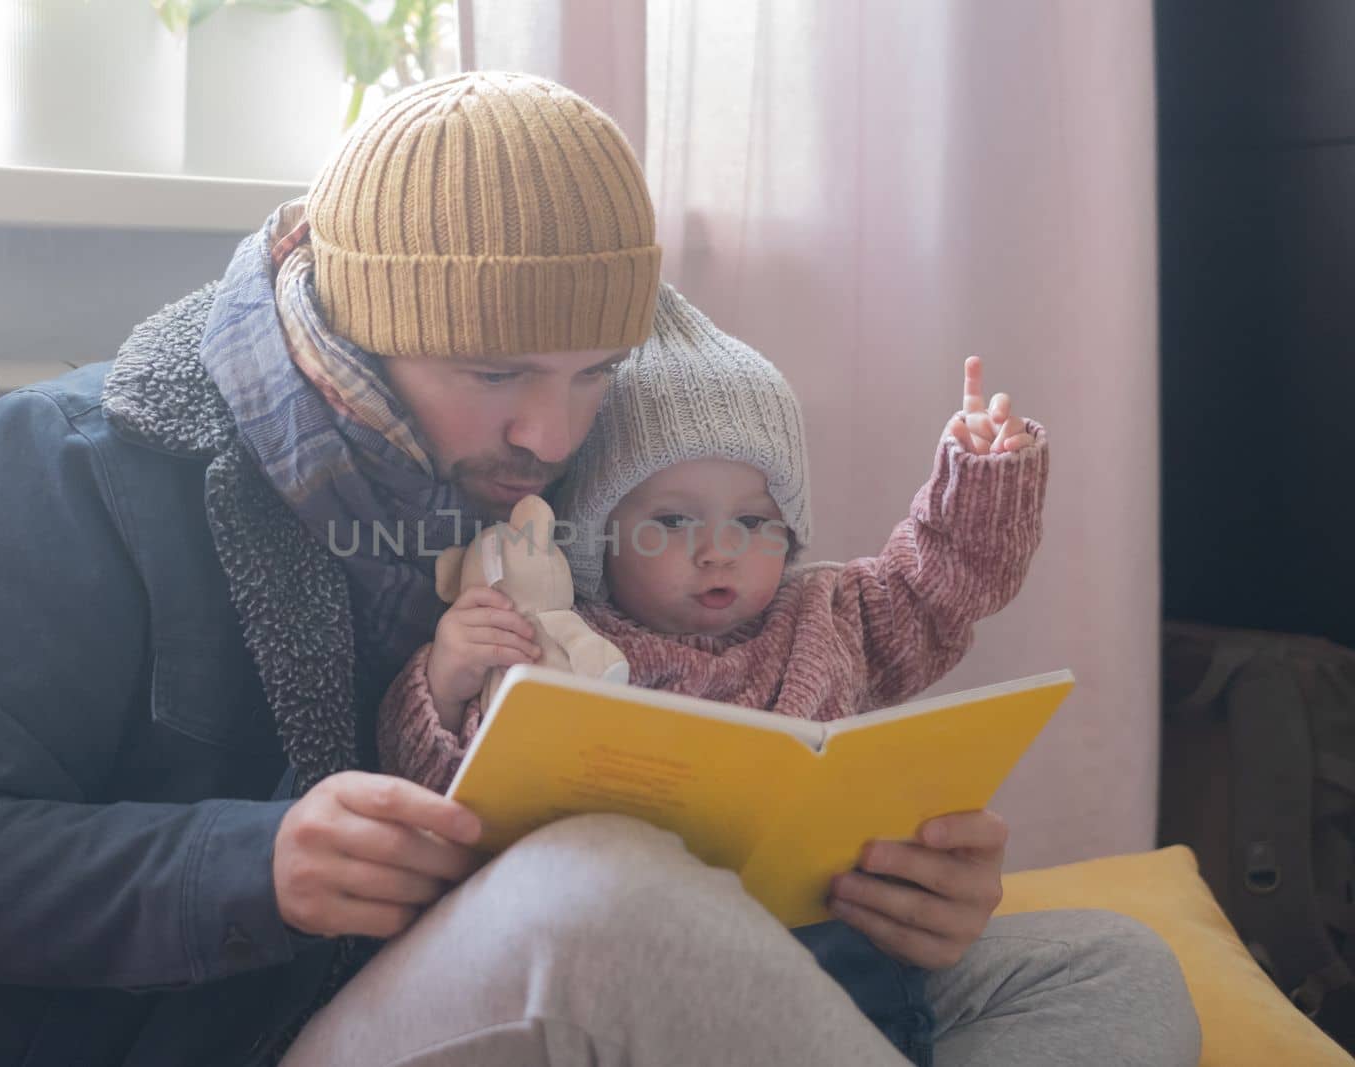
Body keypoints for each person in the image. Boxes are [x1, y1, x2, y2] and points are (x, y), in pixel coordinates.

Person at [0, 72, 1199, 1067]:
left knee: (1101, 959)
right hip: (241, 1026)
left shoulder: (569, 498)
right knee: (601, 896)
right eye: (496, 374)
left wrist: (880, 879)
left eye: (594, 375)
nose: (549, 433)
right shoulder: (67, 465)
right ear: (363, 329)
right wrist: (257, 862)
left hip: (542, 987)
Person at [375, 286, 1190, 1066]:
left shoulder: (825, 612)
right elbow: (458, 795)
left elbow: (936, 586)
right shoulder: (563, 642)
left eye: (754, 521)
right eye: (672, 520)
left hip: (853, 950)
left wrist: (977, 475)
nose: (718, 549)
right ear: (597, 537)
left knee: (1123, 962)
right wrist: (447, 681)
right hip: (672, 988)